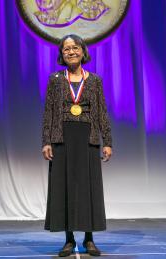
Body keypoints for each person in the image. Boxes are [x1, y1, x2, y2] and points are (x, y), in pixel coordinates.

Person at [41, 34, 112, 257]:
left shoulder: (94, 81)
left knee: (88, 188)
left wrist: (107, 141)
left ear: (83, 51)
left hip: (88, 138)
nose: (71, 52)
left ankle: (89, 238)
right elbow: (49, 112)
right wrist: (46, 141)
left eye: (75, 48)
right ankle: (69, 239)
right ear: (62, 54)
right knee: (65, 188)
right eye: (66, 49)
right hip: (62, 137)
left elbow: (101, 111)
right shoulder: (55, 79)